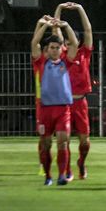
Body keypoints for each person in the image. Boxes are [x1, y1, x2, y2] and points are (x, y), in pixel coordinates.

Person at [32, 16, 79, 185]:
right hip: (45, 110)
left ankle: (61, 175)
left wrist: (66, 25)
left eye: (57, 47)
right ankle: (48, 176)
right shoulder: (41, 62)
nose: (54, 50)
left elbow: (74, 44)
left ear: (61, 49)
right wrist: (43, 26)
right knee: (45, 144)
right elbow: (34, 43)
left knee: (62, 141)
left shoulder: (66, 62)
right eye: (51, 47)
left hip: (62, 109)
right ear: (47, 49)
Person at [52, 2, 93, 180]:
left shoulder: (84, 53)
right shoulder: (62, 56)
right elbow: (55, 31)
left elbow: (88, 29)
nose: (67, 45)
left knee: (85, 141)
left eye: (70, 42)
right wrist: (59, 9)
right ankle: (67, 170)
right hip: (65, 103)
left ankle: (81, 162)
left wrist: (80, 8)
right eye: (65, 43)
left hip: (81, 102)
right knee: (64, 139)